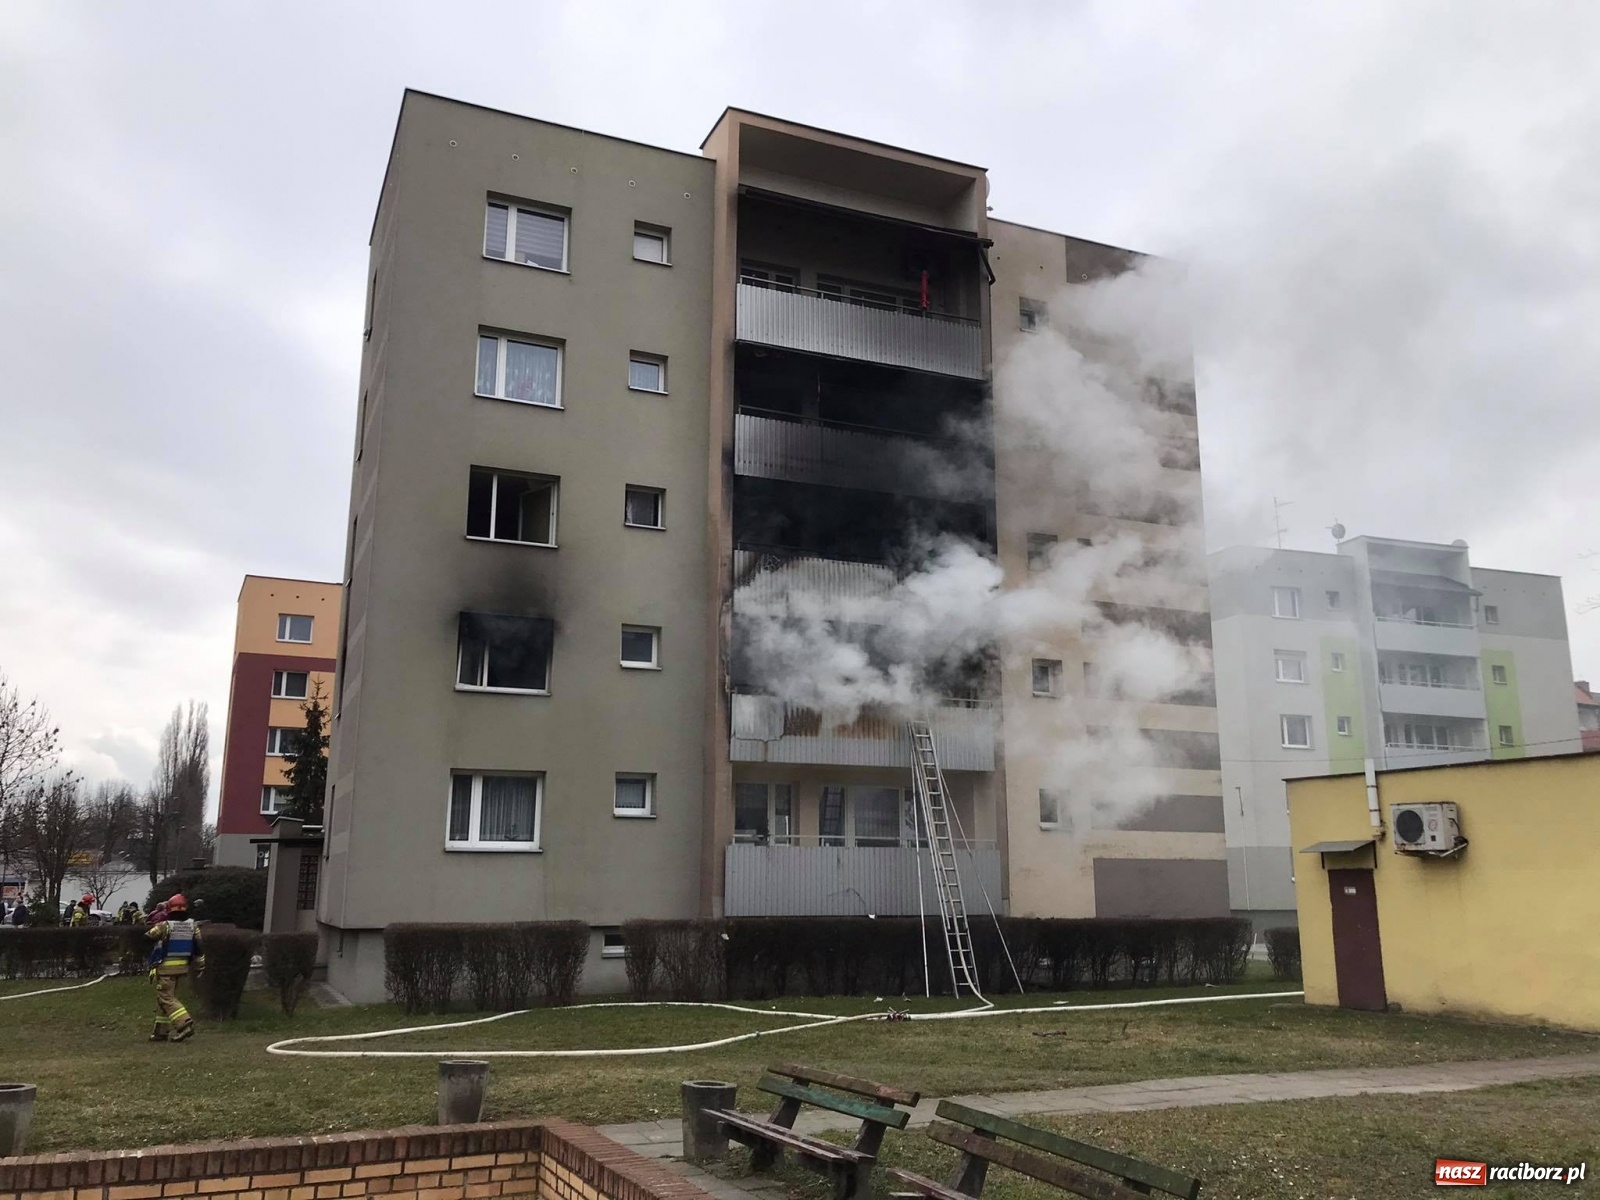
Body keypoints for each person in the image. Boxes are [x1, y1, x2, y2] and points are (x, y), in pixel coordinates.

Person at [145, 894, 205, 1043]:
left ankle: (184, 1024)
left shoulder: (165, 926)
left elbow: (147, 937)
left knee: (166, 998)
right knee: (164, 999)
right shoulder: (193, 925)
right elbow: (198, 948)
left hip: (166, 969)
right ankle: (161, 1031)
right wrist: (200, 965)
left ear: (169, 909)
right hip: (182, 968)